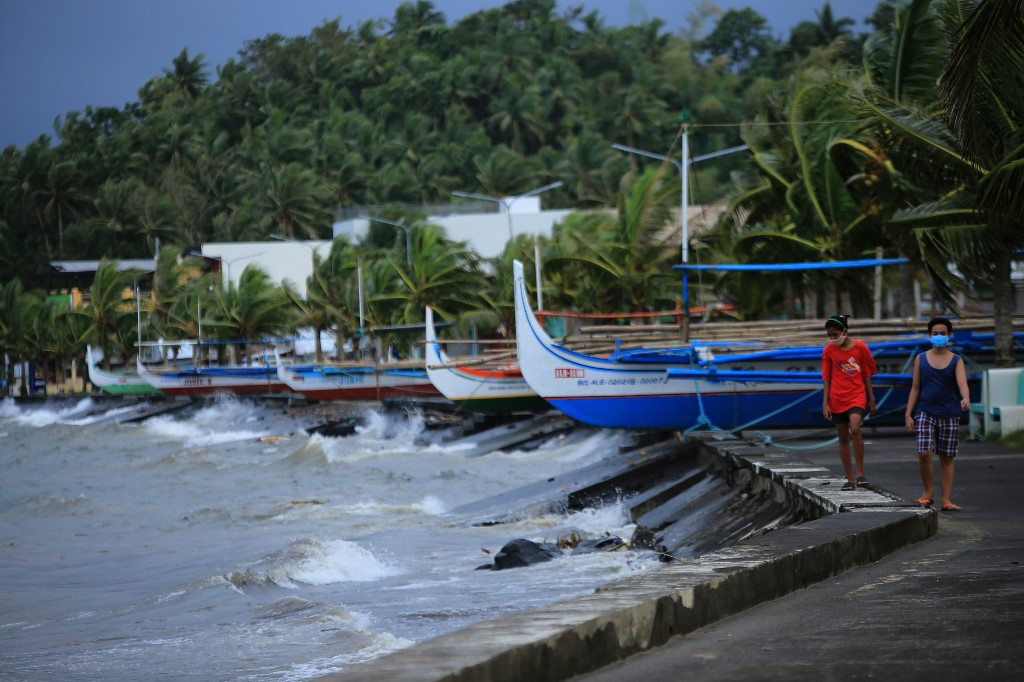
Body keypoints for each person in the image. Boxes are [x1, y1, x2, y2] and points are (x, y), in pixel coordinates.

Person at [904, 317, 971, 511]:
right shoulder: (921, 359)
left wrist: (965, 398)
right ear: (929, 335)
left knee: (947, 457)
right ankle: (928, 492)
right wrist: (909, 413)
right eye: (935, 333)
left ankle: (946, 500)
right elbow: (915, 387)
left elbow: (962, 384)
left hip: (949, 413)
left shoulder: (956, 360)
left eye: (943, 333)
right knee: (924, 452)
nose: (939, 336)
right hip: (925, 411)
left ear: (949, 336)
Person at [822, 315, 877, 491]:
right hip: (837, 397)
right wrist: (826, 402)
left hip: (857, 394)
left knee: (855, 428)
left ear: (844, 332)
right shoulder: (828, 350)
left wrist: (871, 397)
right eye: (829, 335)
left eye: (835, 334)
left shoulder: (860, 347)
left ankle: (860, 472)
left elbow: (867, 372)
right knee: (843, 436)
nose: (832, 338)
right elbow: (826, 377)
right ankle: (850, 477)